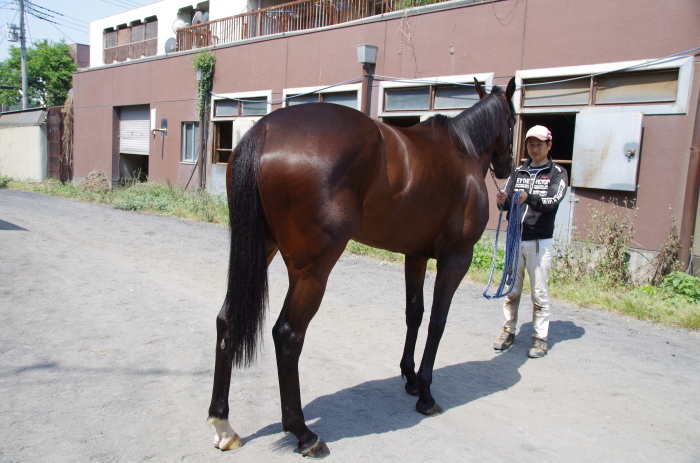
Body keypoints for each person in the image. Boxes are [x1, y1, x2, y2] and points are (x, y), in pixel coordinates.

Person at [493, 125, 568, 358]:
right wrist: (501, 200)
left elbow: (553, 200)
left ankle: (540, 338)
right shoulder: (518, 172)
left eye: (539, 144)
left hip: (540, 241)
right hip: (515, 239)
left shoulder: (557, 173)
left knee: (539, 293)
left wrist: (529, 198)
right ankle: (508, 330)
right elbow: (504, 202)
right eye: (531, 144)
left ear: (549, 145)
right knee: (512, 291)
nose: (534, 148)